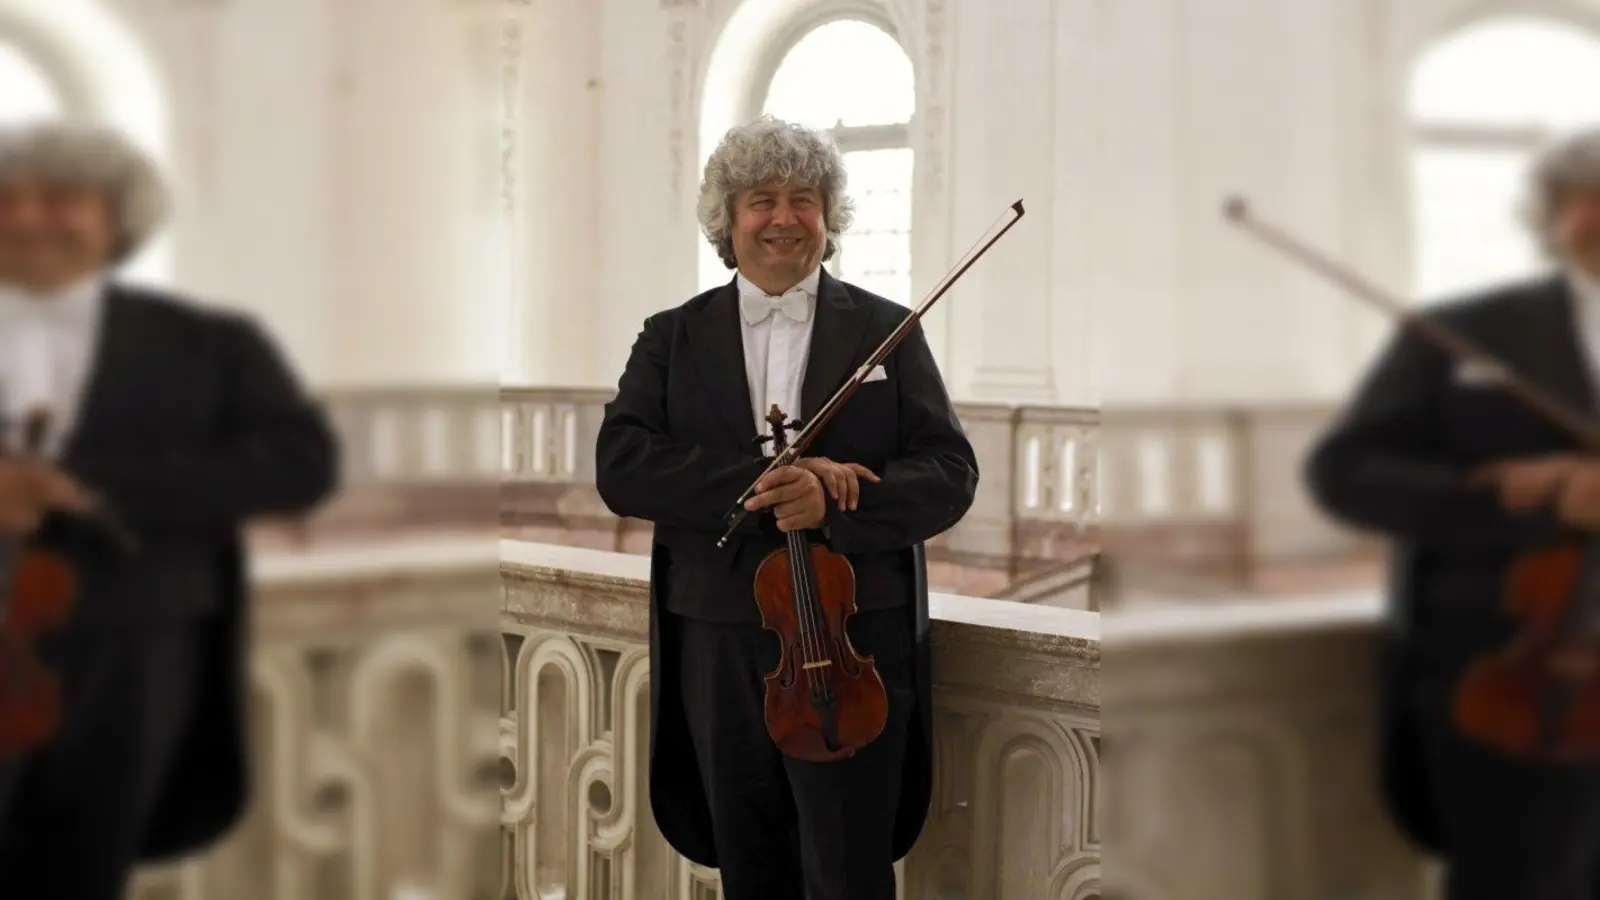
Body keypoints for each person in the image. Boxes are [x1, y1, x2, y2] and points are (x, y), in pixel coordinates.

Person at [594, 115, 978, 900]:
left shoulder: (887, 330)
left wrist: (834, 506)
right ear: (727, 222)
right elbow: (623, 465)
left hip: (849, 638)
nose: (783, 218)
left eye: (804, 199)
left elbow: (949, 472)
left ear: (827, 218)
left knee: (848, 868)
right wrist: (766, 482)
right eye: (761, 200)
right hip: (722, 634)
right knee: (749, 858)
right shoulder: (671, 337)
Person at [0, 120, 338, 898]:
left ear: (117, 217)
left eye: (59, 199)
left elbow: (300, 461)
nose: (26, 219)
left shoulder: (207, 342)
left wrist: (89, 484)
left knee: (83, 865)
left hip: (137, 641)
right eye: (7, 201)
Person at [1304, 126, 1600, 900]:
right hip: (1524, 686)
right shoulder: (1470, 331)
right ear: (1564, 213)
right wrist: (1509, 491)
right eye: (1590, 197)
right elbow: (1346, 471)